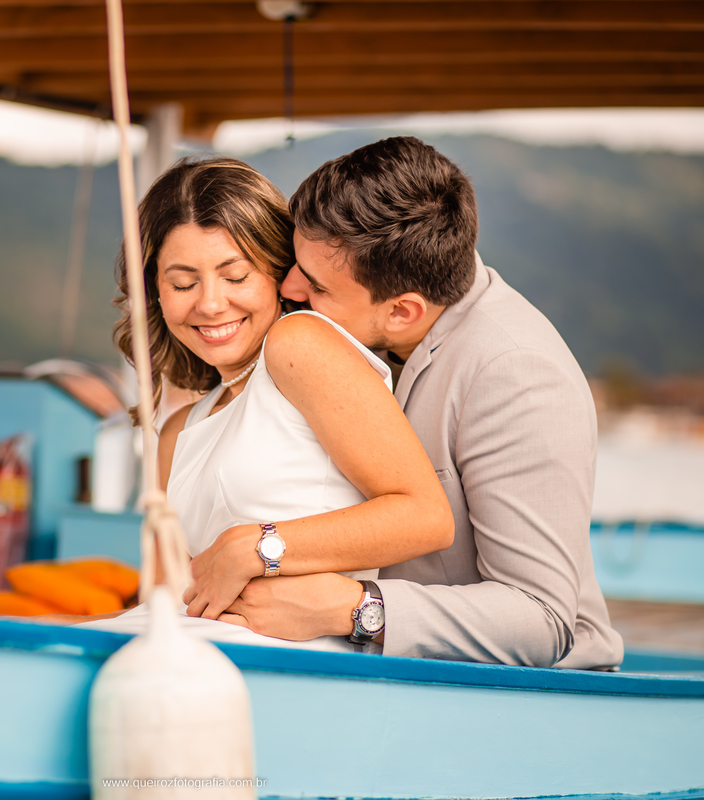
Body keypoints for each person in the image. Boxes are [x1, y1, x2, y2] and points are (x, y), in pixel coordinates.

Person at [207, 137, 623, 669]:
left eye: (316, 285)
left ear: (403, 311)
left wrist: (354, 609)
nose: (288, 287)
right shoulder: (379, 323)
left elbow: (542, 620)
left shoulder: (518, 374)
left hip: (516, 700)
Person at [78, 154, 454, 651]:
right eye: (183, 283)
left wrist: (257, 548)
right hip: (190, 653)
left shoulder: (297, 343)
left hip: (294, 662)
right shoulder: (177, 432)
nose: (210, 303)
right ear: (155, 293)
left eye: (236, 277)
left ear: (279, 274)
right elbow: (177, 604)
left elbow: (426, 517)